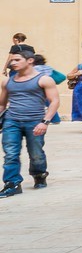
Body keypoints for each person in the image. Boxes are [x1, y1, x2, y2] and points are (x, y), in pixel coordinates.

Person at [1, 45, 59, 196]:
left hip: (35, 122)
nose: (12, 63)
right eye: (12, 60)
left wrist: (45, 122)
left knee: (36, 153)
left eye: (17, 60)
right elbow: (2, 103)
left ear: (30, 60)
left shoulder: (44, 80)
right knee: (10, 154)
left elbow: (54, 101)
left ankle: (39, 174)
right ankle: (12, 183)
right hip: (12, 121)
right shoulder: (8, 81)